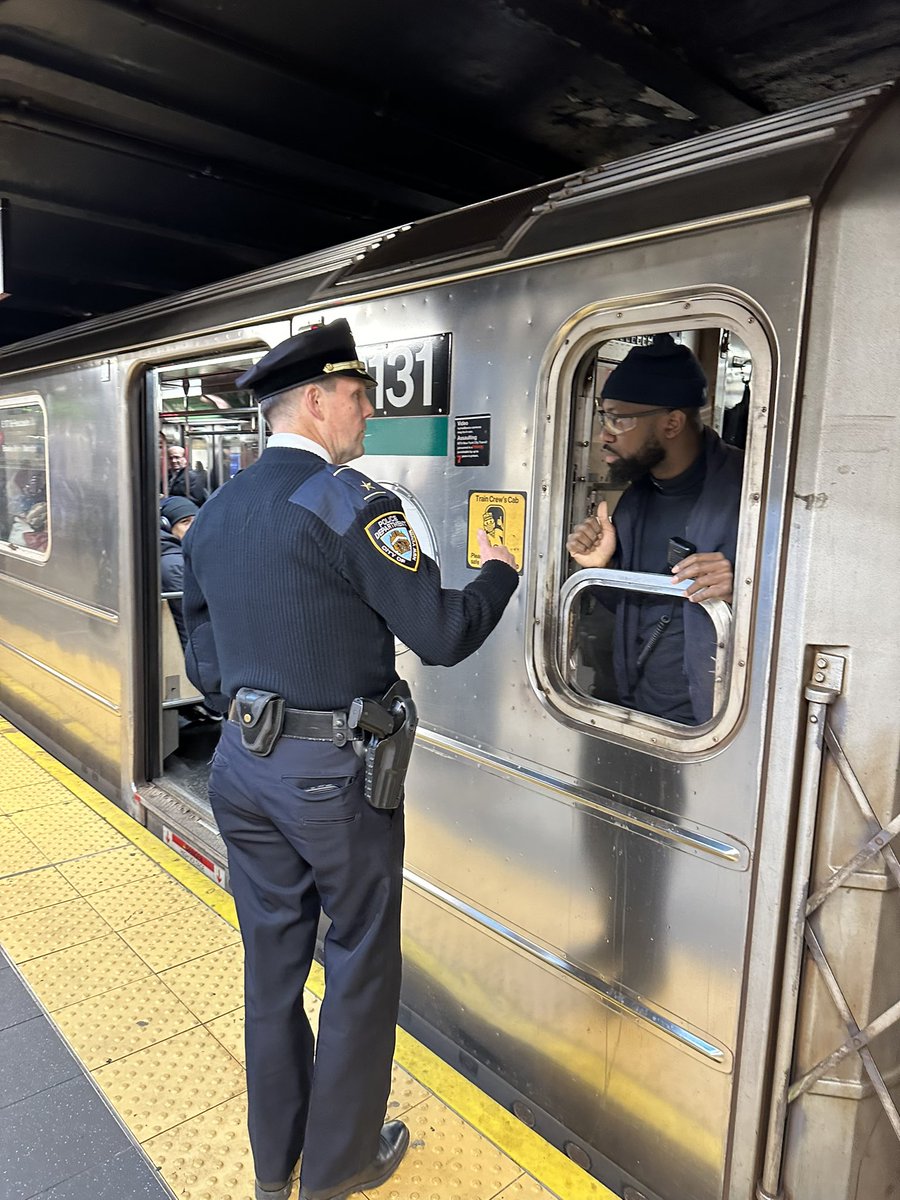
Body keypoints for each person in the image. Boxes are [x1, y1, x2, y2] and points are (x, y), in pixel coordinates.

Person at [181, 319, 518, 1200]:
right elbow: (442, 634)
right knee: (361, 962)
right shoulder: (348, 504)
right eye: (360, 400)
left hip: (241, 774)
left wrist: (259, 716)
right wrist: (500, 572)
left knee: (271, 966)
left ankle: (274, 1166)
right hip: (334, 781)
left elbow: (205, 656)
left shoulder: (215, 513)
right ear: (318, 402)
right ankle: (339, 1166)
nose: (366, 416)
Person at [566, 333, 743, 725]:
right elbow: (636, 612)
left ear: (672, 423)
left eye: (618, 418)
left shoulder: (752, 491)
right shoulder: (634, 500)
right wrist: (601, 568)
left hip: (716, 726)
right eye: (603, 418)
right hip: (639, 713)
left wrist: (747, 587)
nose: (604, 434)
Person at [159, 495, 199, 648]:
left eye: (195, 521)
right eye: (185, 522)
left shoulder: (177, 553)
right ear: (166, 526)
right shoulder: (174, 564)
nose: (192, 527)